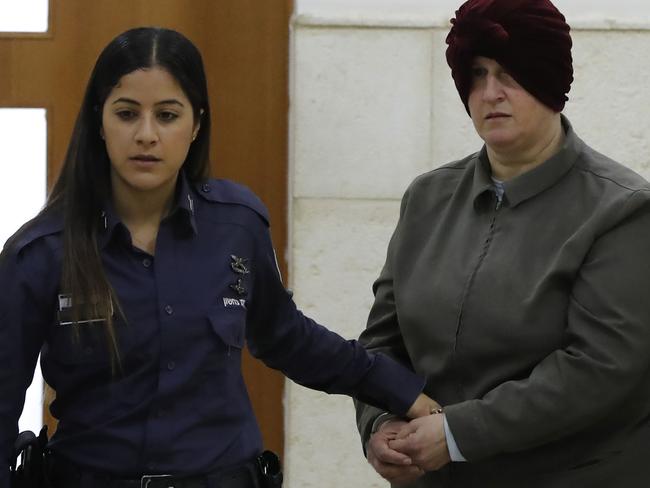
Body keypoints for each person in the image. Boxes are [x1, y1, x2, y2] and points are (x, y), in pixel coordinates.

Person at [0, 27, 437, 488]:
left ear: (196, 125)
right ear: (99, 120)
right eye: (127, 114)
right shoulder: (40, 252)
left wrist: (399, 390)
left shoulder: (237, 225)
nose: (146, 134)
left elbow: (287, 338)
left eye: (167, 115)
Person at [354, 1, 650, 487]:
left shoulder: (622, 209)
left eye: (511, 74)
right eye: (477, 74)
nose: (491, 93)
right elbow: (383, 341)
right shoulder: (428, 198)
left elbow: (600, 368)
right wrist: (380, 423)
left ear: (551, 82)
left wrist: (456, 433)